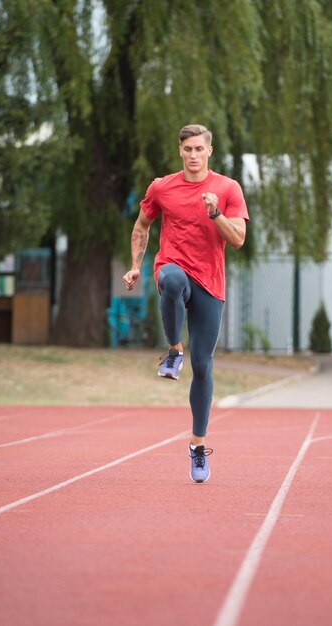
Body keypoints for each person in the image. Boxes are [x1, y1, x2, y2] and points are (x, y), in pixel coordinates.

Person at [123, 124, 249, 483]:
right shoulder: (162, 187)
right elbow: (141, 226)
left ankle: (197, 445)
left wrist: (215, 214)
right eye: (187, 149)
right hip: (174, 266)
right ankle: (174, 350)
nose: (193, 155)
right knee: (171, 279)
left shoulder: (227, 189)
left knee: (204, 366)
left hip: (210, 280)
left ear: (209, 151)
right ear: (180, 151)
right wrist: (135, 267)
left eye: (199, 149)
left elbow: (238, 239)